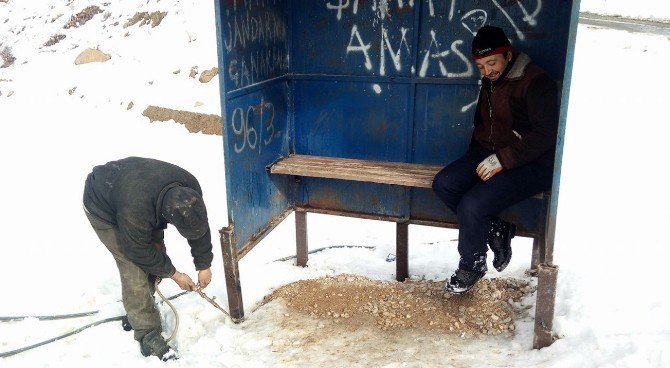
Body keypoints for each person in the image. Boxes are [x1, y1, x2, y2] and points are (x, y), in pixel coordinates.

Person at [432, 25, 558, 294]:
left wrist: (503, 159)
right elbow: (482, 124)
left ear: (508, 56)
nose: (487, 71)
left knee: (471, 205)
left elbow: (546, 135)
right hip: (490, 152)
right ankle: (496, 229)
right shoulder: (491, 81)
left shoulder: (535, 81)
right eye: (480, 66)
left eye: (491, 62)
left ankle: (472, 264)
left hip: (530, 163)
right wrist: (471, 165)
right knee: (445, 183)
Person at [83, 157, 214, 361]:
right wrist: (174, 274)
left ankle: (138, 308)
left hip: (134, 192)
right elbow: (138, 251)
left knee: (156, 252)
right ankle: (147, 333)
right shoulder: (136, 208)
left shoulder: (190, 189)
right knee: (134, 266)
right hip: (101, 202)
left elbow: (199, 225)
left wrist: (204, 264)